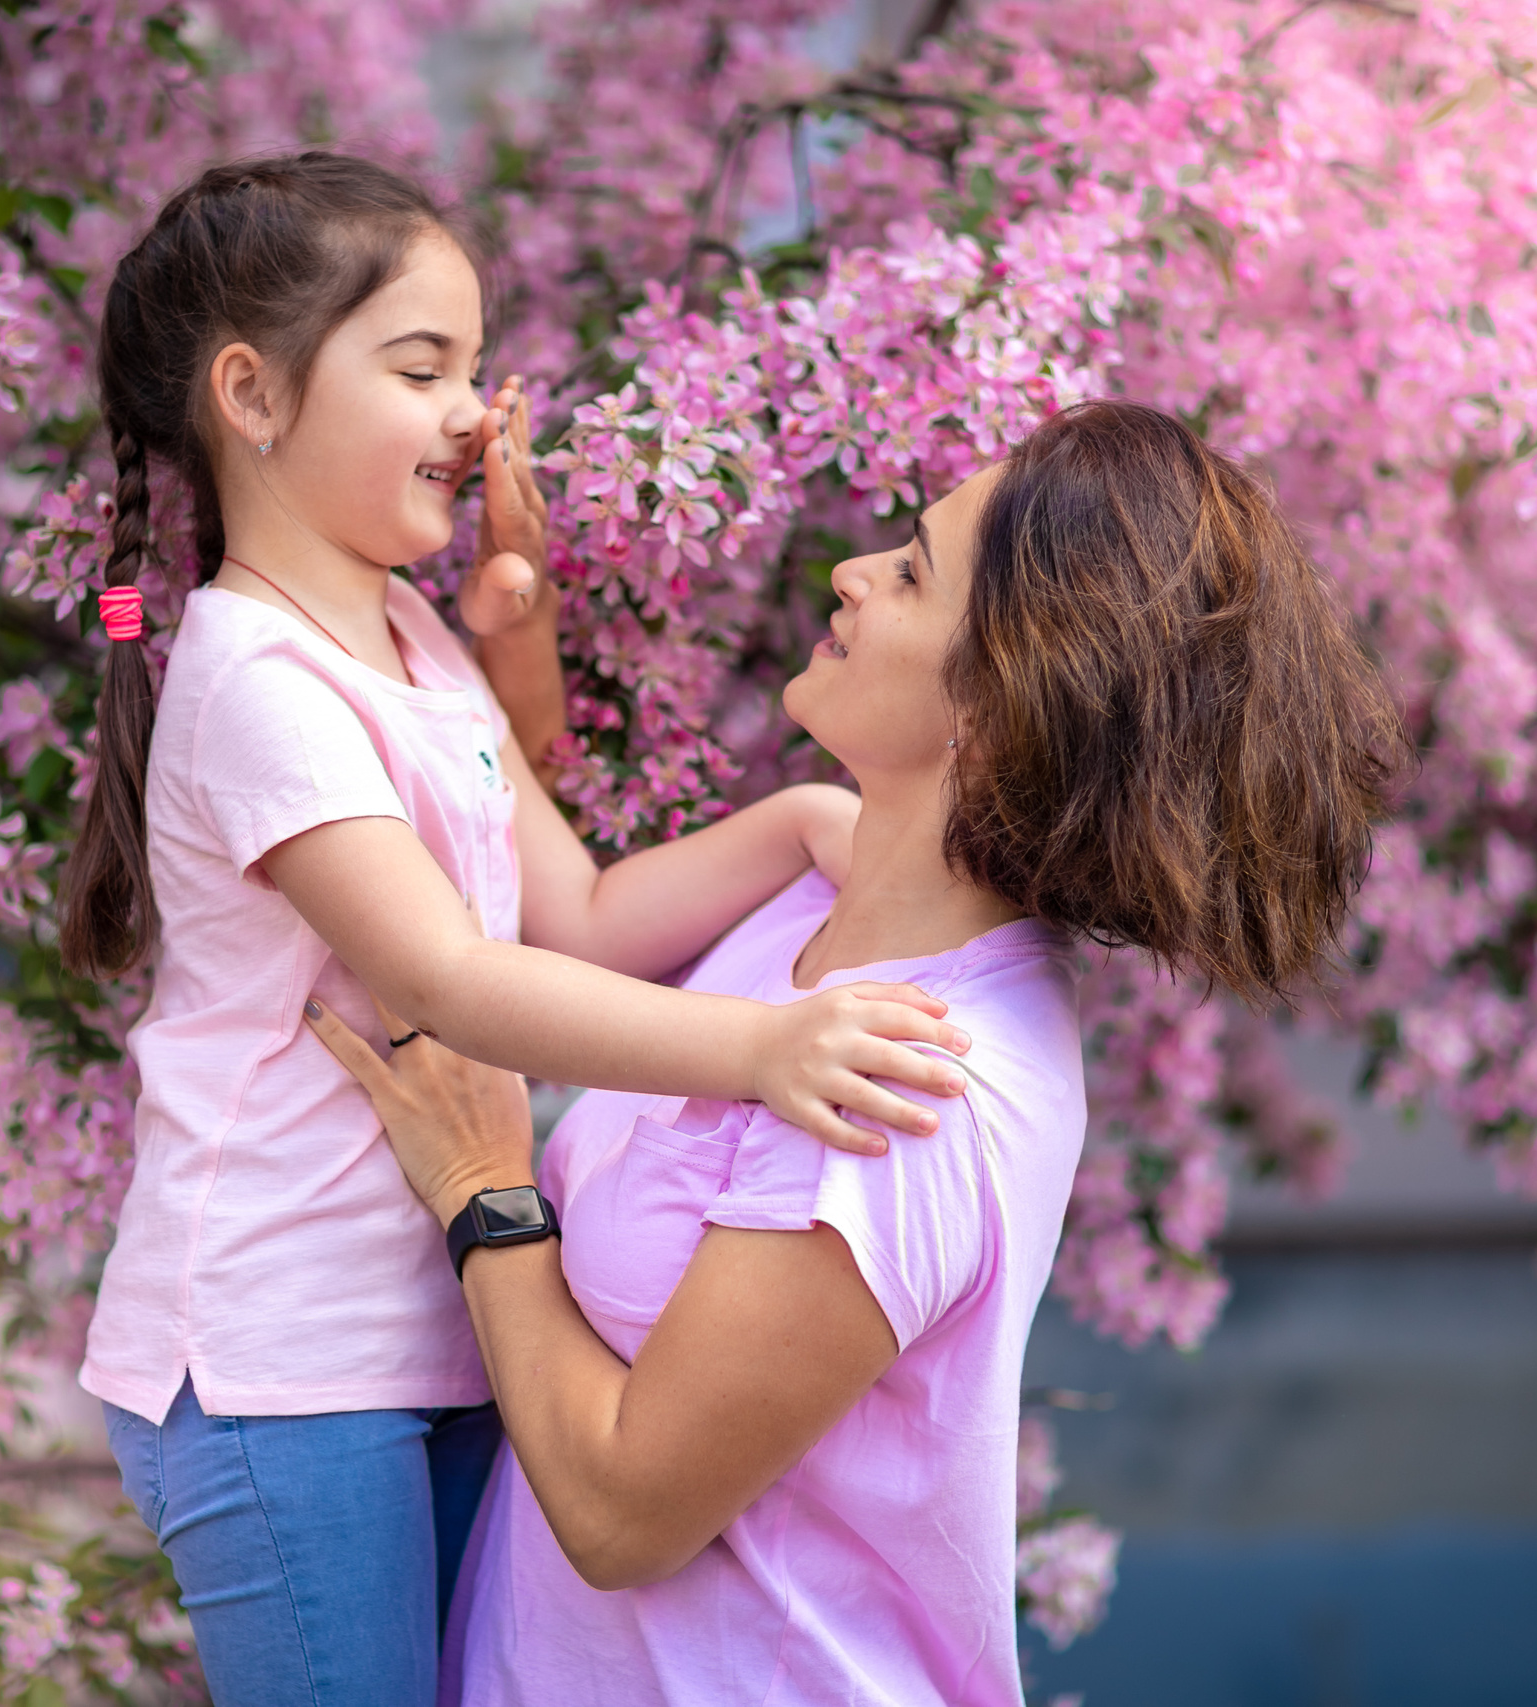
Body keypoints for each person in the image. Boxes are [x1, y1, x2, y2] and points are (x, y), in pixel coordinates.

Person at [307, 399, 1411, 1705]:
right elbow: (559, 904)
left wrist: (487, 1196)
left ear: (997, 708)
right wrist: (489, 641)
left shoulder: (907, 1091)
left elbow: (620, 1515)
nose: (851, 571)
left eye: (910, 573)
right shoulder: (824, 892)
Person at [60, 152, 977, 1707]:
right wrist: (765, 1047)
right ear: (252, 396)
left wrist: (805, 824)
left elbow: (583, 915)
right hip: (281, 1364)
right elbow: (454, 979)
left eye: (476, 369)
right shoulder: (257, 682)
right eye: (423, 369)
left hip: (438, 1335)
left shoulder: (410, 635)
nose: (476, 413)